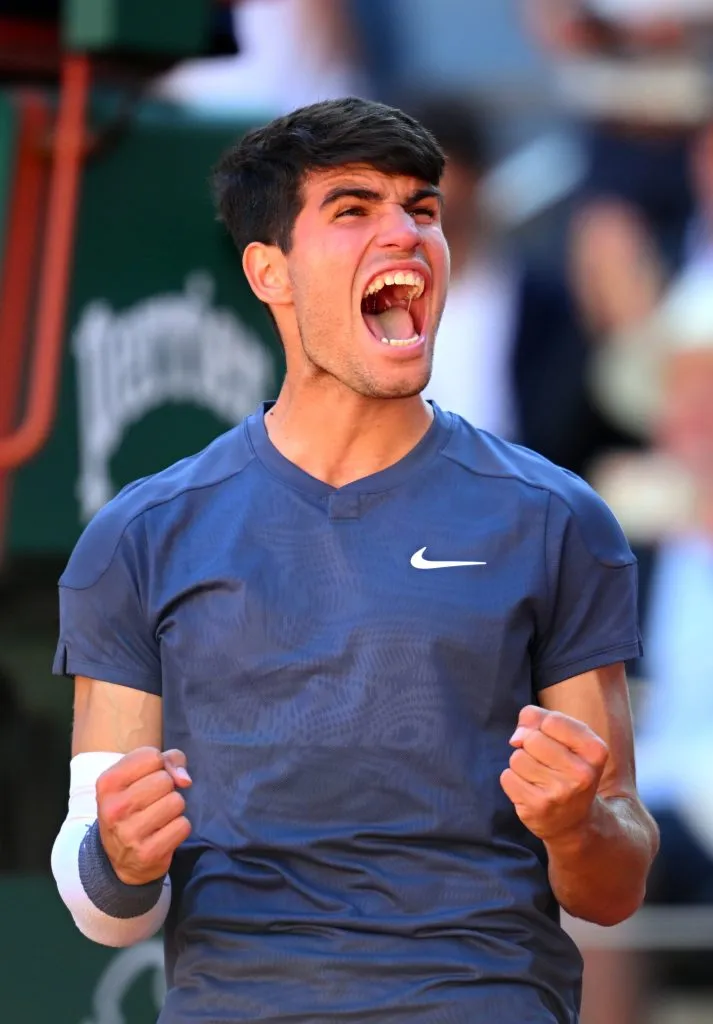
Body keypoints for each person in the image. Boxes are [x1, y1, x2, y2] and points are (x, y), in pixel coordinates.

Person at [50, 97, 658, 1023]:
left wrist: (574, 824)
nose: (405, 234)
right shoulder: (141, 534)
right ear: (269, 273)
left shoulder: (556, 518)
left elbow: (611, 887)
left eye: (422, 209)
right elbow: (104, 906)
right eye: (353, 209)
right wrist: (121, 859)